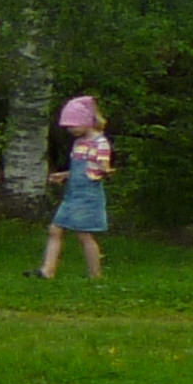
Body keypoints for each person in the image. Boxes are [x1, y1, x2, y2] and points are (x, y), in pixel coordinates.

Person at [38, 94, 115, 280]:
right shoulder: (79, 143)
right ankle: (47, 271)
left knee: (84, 235)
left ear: (87, 122)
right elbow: (80, 169)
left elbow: (101, 167)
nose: (71, 130)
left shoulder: (100, 143)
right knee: (55, 229)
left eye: (74, 125)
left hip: (88, 195)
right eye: (68, 126)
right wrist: (65, 175)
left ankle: (95, 275)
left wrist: (105, 170)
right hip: (72, 194)